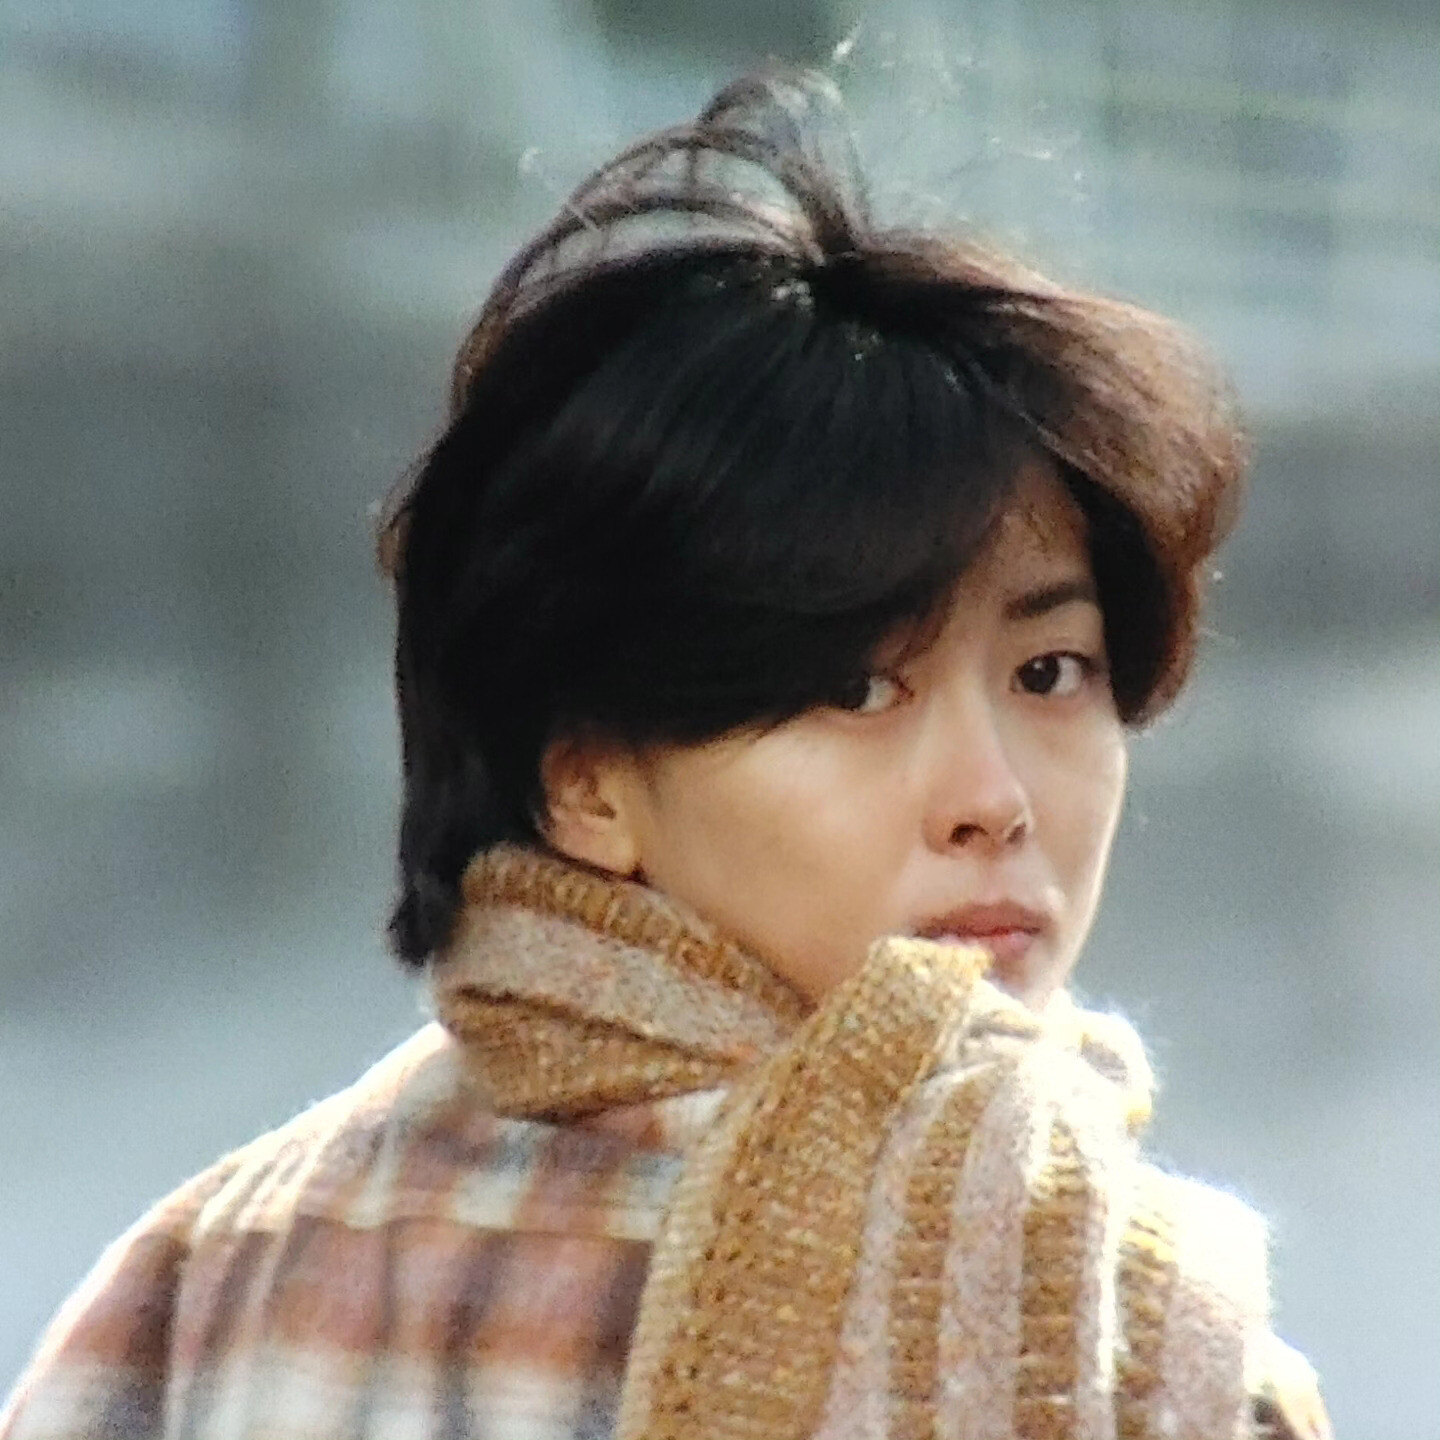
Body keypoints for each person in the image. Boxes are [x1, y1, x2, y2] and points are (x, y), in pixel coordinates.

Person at [1, 70, 1329, 1440]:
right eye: (857, 688)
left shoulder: (195, 1282)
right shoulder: (1121, 1332)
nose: (991, 801)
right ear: (584, 779)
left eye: (1050, 673)